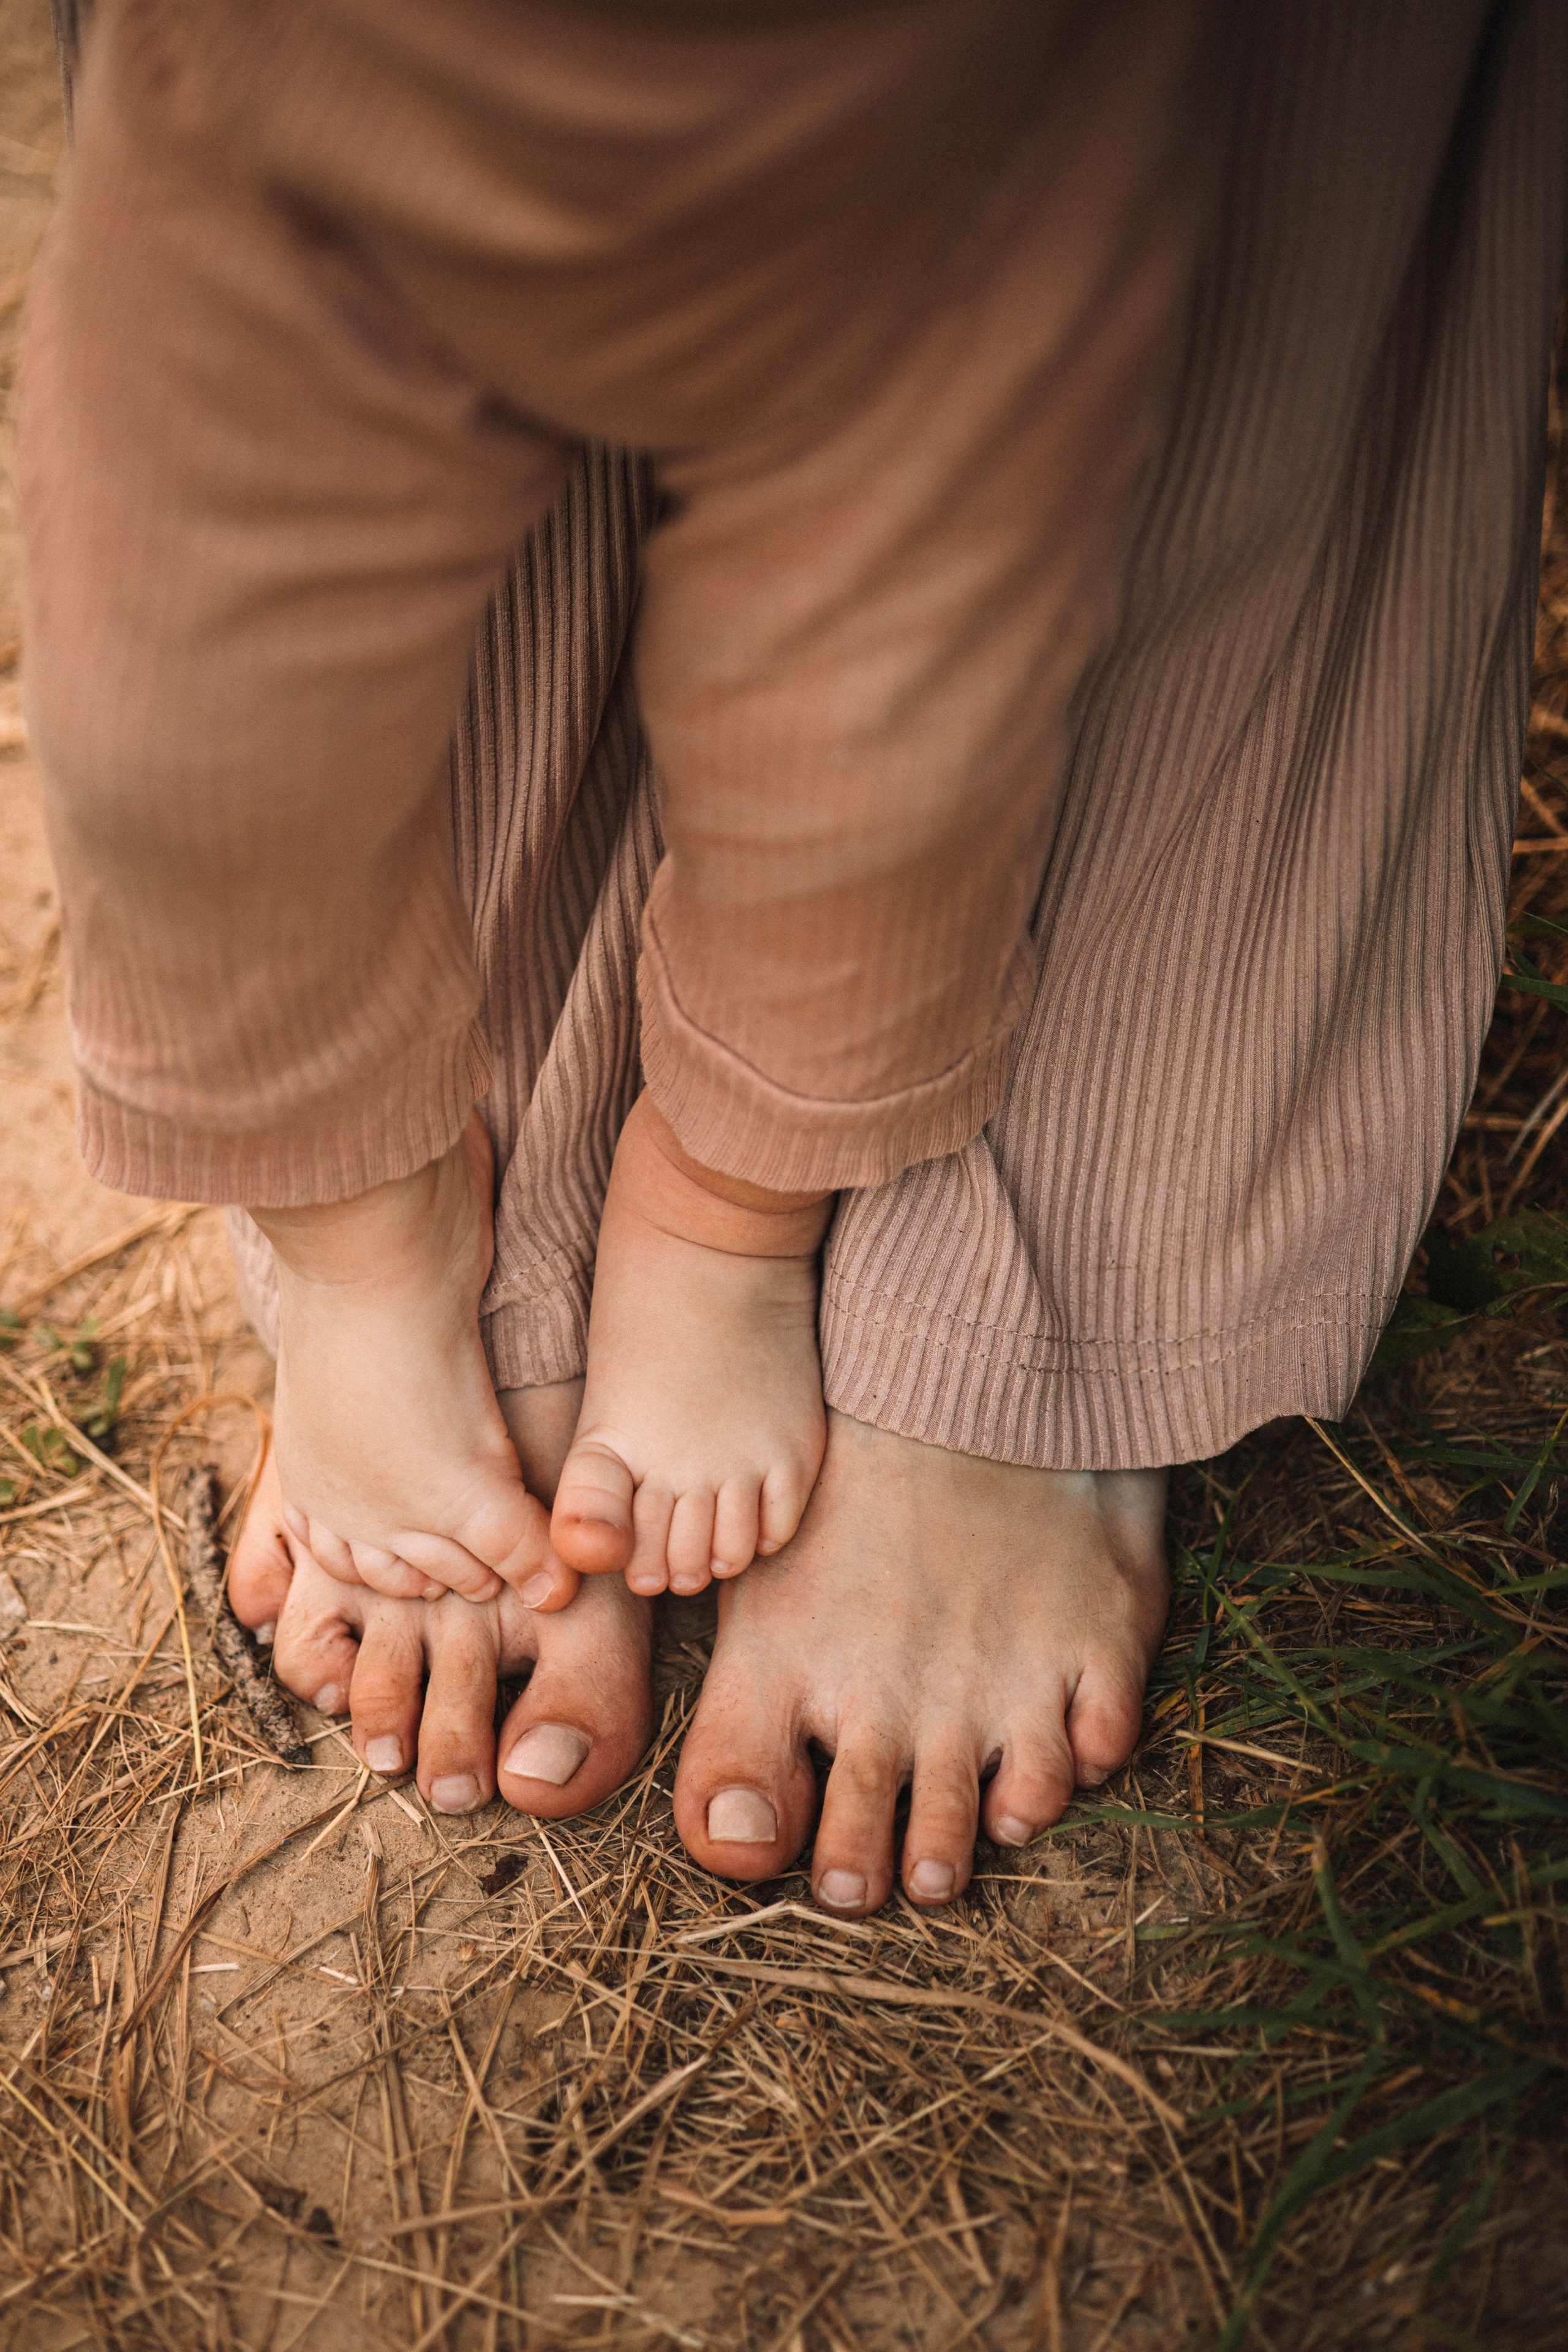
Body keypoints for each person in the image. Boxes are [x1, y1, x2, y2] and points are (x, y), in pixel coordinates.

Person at [21, 0, 1567, 1915]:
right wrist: (355, 1227)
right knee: (237, 650)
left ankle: (1030, 1254)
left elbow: (888, 713)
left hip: (982, 119)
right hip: (306, 114)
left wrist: (721, 1206)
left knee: (1210, 244)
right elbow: (180, 719)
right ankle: (470, 1192)